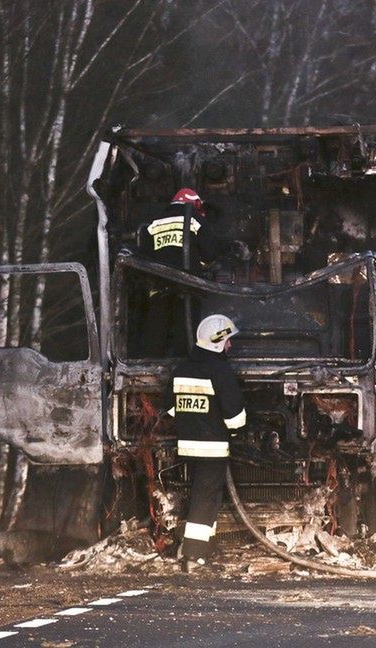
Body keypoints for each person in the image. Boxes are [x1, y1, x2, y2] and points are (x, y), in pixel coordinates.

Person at [162, 314, 246, 571]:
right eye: (228, 341)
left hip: (188, 445)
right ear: (217, 343)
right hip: (213, 447)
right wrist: (235, 433)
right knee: (205, 499)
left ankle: (205, 549)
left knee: (208, 497)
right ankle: (193, 556)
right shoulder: (220, 371)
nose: (230, 345)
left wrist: (191, 423)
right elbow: (235, 415)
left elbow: (170, 407)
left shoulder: (181, 369)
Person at [139, 188, 221, 357]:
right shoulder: (195, 220)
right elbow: (210, 253)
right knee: (185, 334)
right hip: (187, 288)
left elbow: (143, 256)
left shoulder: (155, 223)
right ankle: (183, 364)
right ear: (195, 204)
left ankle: (151, 363)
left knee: (155, 333)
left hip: (159, 288)